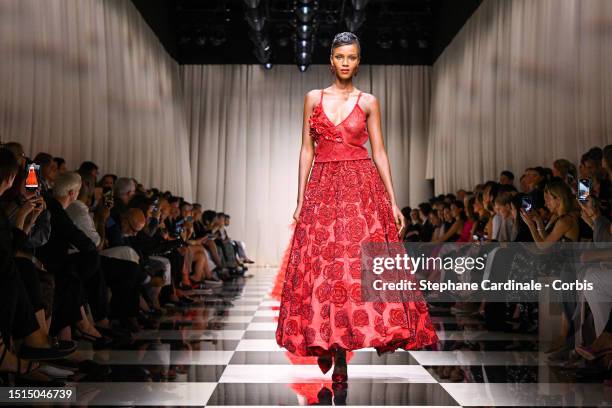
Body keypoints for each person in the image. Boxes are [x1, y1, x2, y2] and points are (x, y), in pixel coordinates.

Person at [275, 32, 438, 383]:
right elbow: (306, 148)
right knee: (326, 267)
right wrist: (300, 197)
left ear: (358, 61)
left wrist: (393, 200)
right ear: (331, 60)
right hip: (322, 186)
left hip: (360, 187)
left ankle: (344, 351)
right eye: (339, 56)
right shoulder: (313, 98)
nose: (345, 62)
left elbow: (379, 151)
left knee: (356, 267)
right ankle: (333, 347)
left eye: (351, 57)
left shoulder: (368, 102)